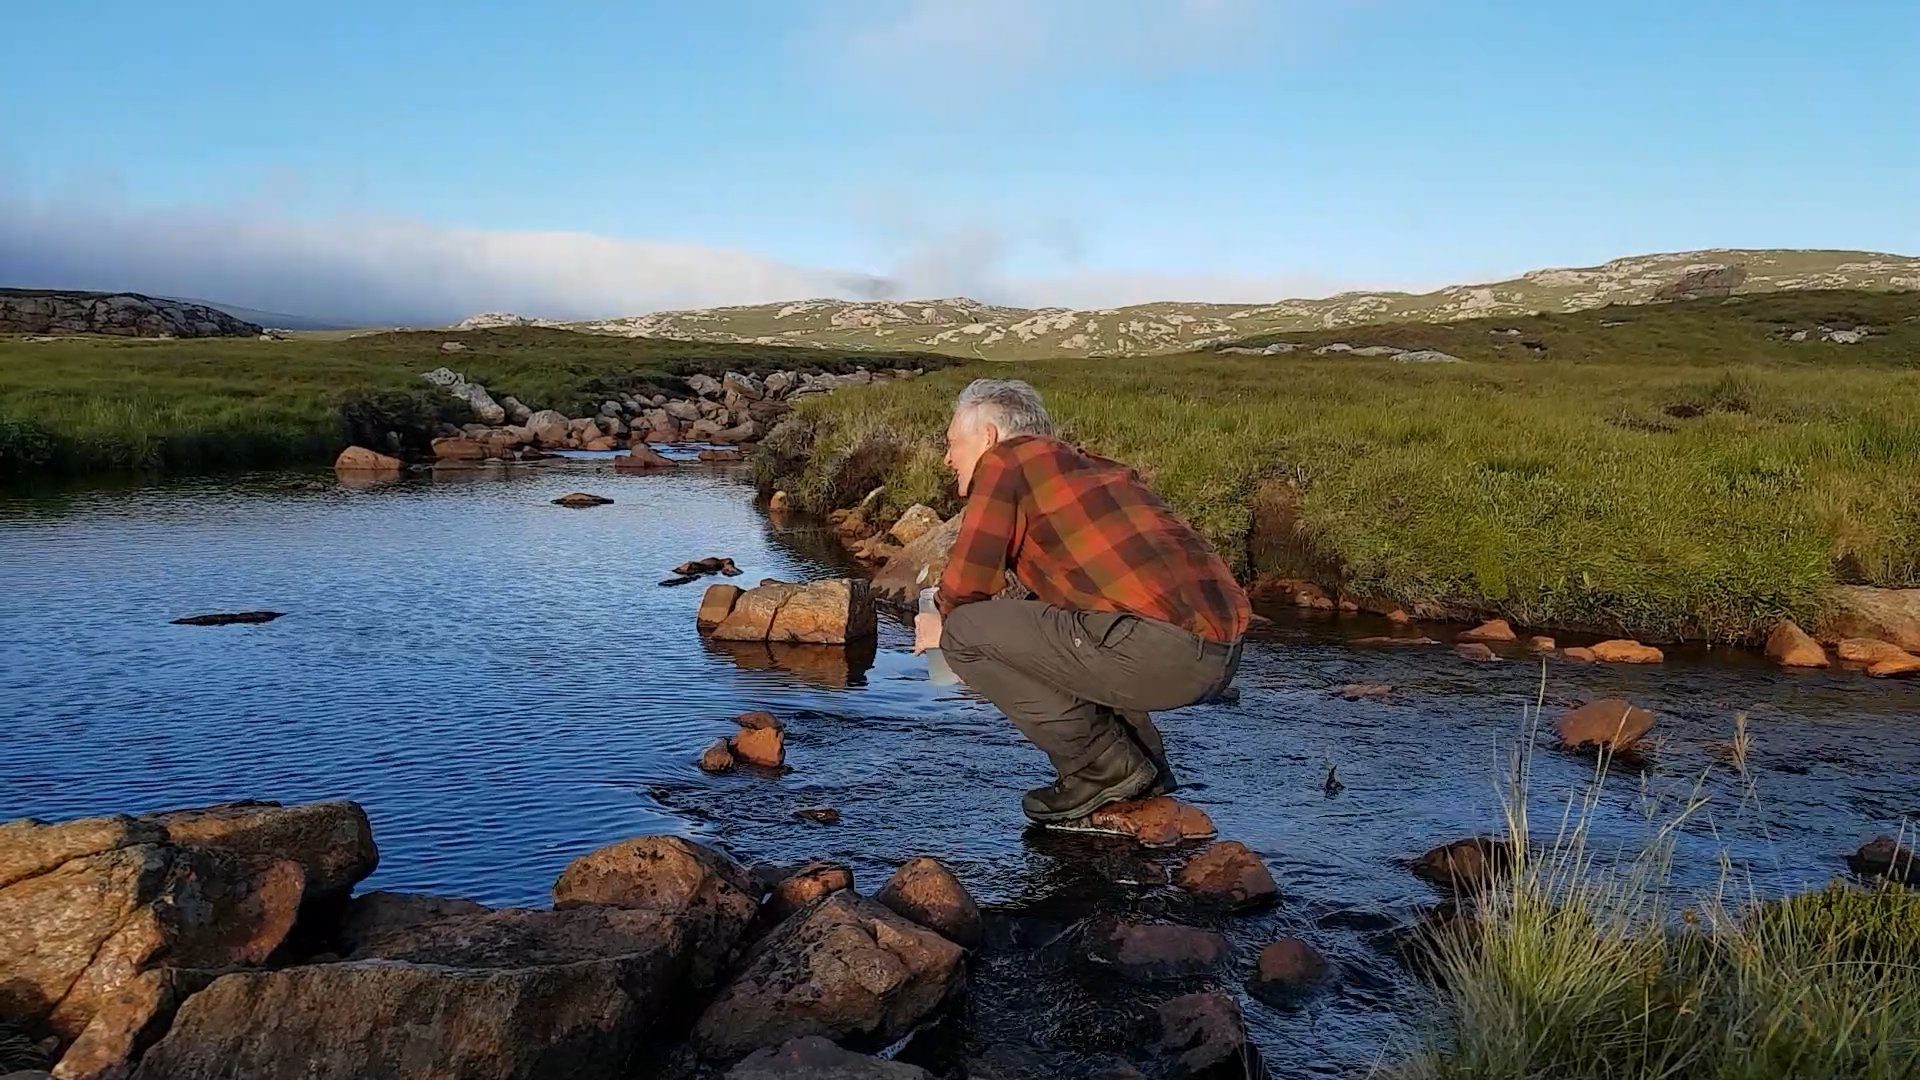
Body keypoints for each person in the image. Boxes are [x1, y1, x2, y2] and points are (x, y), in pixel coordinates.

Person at [913, 379, 1250, 823]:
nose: (947, 457)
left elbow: (967, 586)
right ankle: (1145, 770)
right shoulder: (1087, 468)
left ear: (989, 436)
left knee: (966, 631)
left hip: (1164, 650)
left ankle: (1100, 768)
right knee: (1079, 625)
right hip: (1220, 654)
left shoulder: (1005, 461)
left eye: (952, 442)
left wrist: (944, 626)